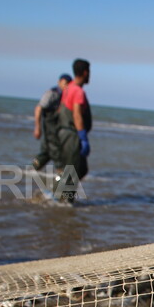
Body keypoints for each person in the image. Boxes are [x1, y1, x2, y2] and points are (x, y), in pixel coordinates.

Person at [53, 59, 91, 203]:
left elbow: (60, 109)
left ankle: (57, 196)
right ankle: (63, 204)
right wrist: (83, 137)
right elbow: (76, 114)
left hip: (63, 133)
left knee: (78, 169)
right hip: (72, 135)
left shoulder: (68, 88)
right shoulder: (78, 91)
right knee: (73, 172)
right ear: (86, 72)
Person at [32, 73, 72, 170]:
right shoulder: (52, 93)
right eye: (65, 83)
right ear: (59, 82)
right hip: (49, 124)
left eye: (69, 84)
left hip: (56, 125)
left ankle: (33, 168)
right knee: (55, 148)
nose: (67, 86)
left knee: (47, 150)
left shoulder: (64, 96)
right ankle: (60, 170)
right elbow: (38, 108)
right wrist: (37, 127)